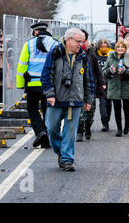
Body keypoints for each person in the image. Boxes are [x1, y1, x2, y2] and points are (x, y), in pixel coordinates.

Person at [41, 28, 93, 172]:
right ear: (68, 40)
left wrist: (89, 99)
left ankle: (67, 159)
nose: (81, 45)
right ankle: (61, 153)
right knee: (51, 129)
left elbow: (88, 80)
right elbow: (46, 75)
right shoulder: (54, 54)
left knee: (70, 132)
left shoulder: (83, 57)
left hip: (75, 100)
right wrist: (50, 94)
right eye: (78, 41)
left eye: (82, 42)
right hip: (56, 100)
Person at [17, 22, 58, 148]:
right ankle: (47, 141)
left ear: (35, 32)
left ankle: (40, 132)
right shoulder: (56, 44)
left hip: (32, 84)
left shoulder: (29, 44)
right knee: (47, 111)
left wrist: (20, 84)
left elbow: (22, 66)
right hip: (50, 85)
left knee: (33, 109)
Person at [102, 40, 129, 137]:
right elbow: (104, 72)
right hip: (114, 87)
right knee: (116, 109)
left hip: (127, 87)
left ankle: (126, 126)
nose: (120, 49)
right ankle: (119, 128)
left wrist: (125, 71)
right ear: (116, 48)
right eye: (118, 47)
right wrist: (110, 71)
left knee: (127, 108)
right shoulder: (110, 58)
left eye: (122, 47)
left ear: (125, 49)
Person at [76, 29, 105, 142]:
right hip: (77, 87)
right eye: (80, 41)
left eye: (84, 40)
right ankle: (79, 130)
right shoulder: (73, 53)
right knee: (78, 111)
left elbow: (98, 70)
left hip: (91, 87)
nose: (82, 43)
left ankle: (88, 127)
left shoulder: (90, 53)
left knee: (90, 111)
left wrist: (102, 83)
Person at [95, 37, 113, 132]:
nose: (103, 44)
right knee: (102, 103)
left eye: (105, 43)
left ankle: (107, 121)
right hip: (100, 83)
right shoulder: (95, 54)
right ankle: (104, 122)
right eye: (101, 43)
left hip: (110, 81)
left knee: (108, 103)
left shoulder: (112, 54)